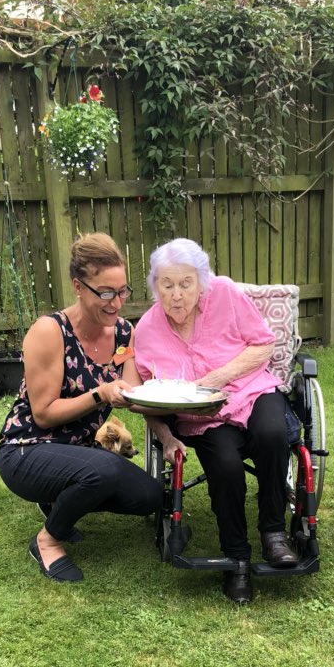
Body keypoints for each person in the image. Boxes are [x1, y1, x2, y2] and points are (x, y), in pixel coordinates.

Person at [134, 238, 299, 604]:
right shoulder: (146, 329)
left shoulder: (224, 294)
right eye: (167, 284)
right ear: (155, 285)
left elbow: (262, 345)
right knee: (225, 465)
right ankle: (236, 558)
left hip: (252, 390)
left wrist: (215, 379)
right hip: (203, 418)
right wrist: (165, 437)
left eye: (185, 283)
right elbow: (148, 398)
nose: (176, 295)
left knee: (272, 436)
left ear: (201, 281)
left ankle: (274, 534)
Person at [0, 233, 162, 582]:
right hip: (27, 449)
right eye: (105, 293)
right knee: (104, 470)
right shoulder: (49, 331)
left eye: (122, 292)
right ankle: (48, 541)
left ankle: (59, 499)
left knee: (149, 496)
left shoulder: (122, 332)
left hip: (83, 454)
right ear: (78, 285)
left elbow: (131, 392)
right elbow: (43, 413)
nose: (116, 303)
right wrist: (101, 394)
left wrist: (170, 402)